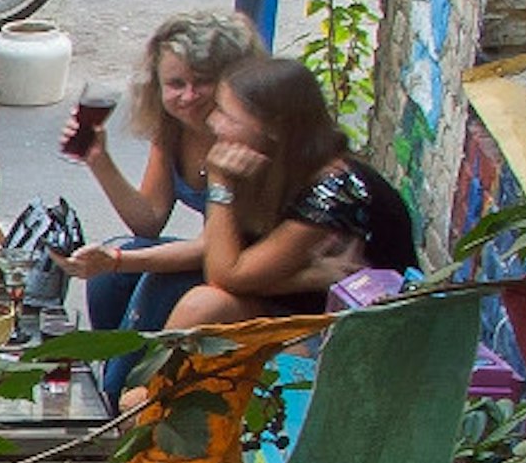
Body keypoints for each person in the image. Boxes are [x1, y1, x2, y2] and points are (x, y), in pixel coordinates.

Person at [161, 53, 423, 332]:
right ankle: (127, 375)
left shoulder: (335, 187)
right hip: (297, 306)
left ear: (272, 128)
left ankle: (150, 378)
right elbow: (221, 255)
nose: (213, 122)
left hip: (357, 333)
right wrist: (119, 261)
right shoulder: (264, 166)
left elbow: (225, 276)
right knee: (161, 285)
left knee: (202, 306)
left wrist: (220, 185)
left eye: (227, 115)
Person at [60, 10, 263, 348]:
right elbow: (148, 221)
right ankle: (112, 376)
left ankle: (127, 387)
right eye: (176, 84)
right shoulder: (172, 129)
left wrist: (118, 262)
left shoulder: (243, 138)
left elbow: (215, 248)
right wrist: (99, 160)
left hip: (249, 270)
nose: (188, 96)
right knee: (108, 281)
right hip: (214, 257)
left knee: (149, 283)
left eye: (203, 82)